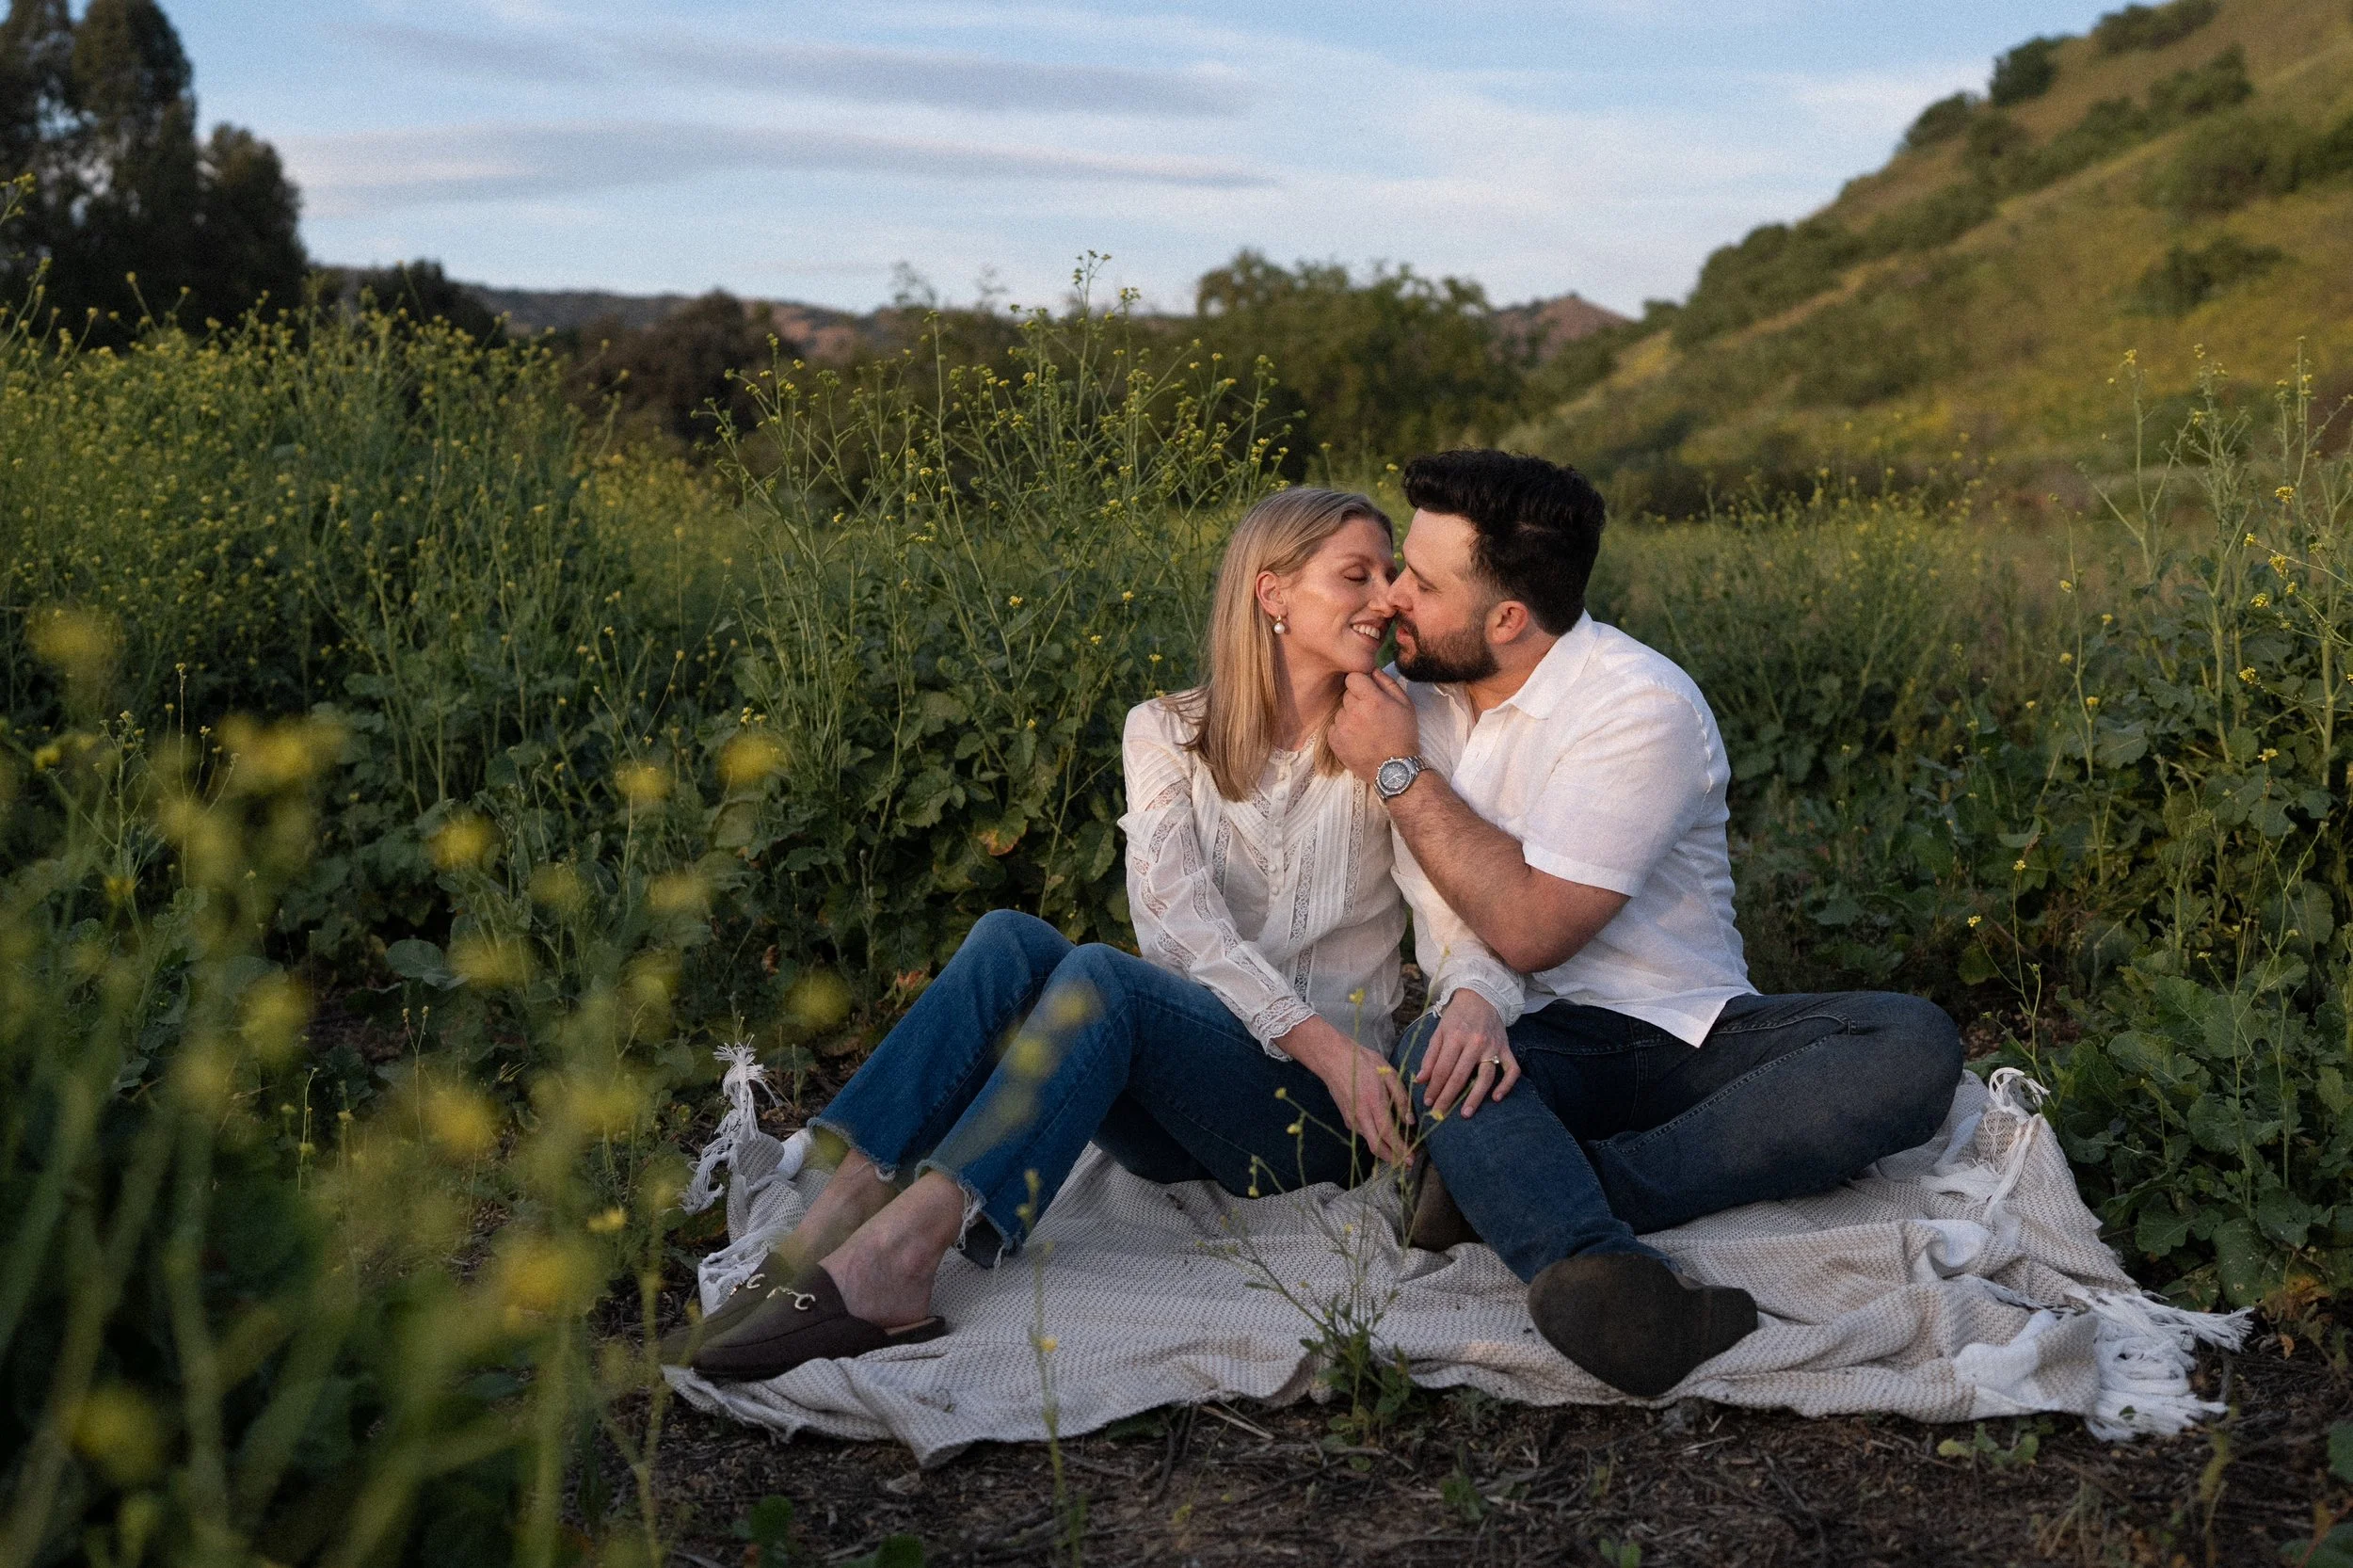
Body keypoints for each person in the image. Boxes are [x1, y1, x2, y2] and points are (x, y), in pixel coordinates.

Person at [670, 486, 1518, 1382]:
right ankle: (829, 1224)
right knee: (1010, 940)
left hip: (1316, 1123)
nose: (1386, 596)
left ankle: (900, 1260)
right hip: (1179, 1105)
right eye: (1358, 574)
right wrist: (1308, 1038)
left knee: (1104, 982)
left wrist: (1463, 1007)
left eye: (1391, 574)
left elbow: (1461, 916)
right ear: (1272, 594)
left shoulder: (1400, 734)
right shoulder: (1167, 730)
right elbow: (1177, 921)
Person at [1327, 449, 1964, 1400]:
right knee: (1442, 1052)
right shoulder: (1411, 696)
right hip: (1516, 1047)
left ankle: (1538, 1188)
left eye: (1421, 581)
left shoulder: (1638, 706)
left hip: (1684, 1043)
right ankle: (1605, 1277)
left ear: (1507, 617)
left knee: (1911, 1043)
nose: (1392, 599)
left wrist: (1398, 775)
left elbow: (1535, 927)